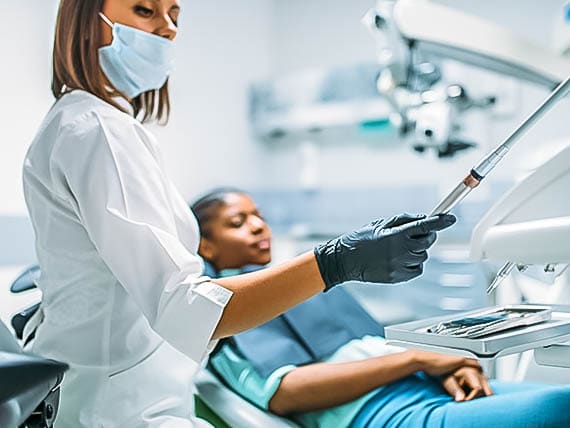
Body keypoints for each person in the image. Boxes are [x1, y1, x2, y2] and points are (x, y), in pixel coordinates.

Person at [22, 1, 455, 426]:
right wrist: (337, 261)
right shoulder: (97, 130)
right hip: (115, 412)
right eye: (144, 9)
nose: (168, 28)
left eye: (175, 14)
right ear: (85, 19)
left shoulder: (90, 125)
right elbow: (186, 309)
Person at [191, 189, 570, 428]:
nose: (258, 227)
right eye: (238, 223)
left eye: (259, 216)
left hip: (427, 389)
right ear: (204, 246)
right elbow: (283, 392)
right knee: (559, 409)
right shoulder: (222, 313)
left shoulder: (305, 286)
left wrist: (450, 367)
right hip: (380, 413)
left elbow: (372, 344)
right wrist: (418, 360)